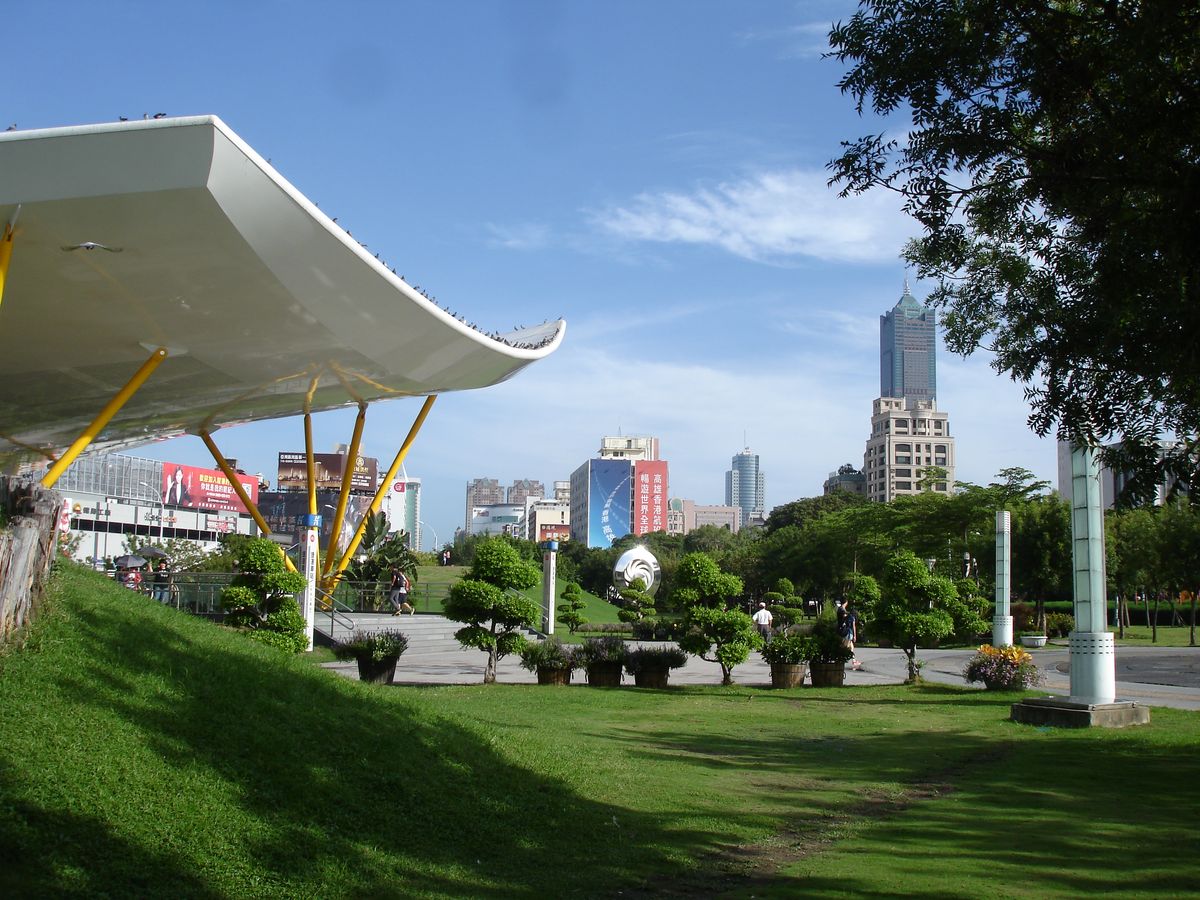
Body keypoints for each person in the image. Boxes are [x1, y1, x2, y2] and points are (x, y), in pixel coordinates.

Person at [840, 600, 861, 670]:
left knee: (851, 647)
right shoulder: (853, 618)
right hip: (850, 633)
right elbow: (853, 627)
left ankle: (853, 660)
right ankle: (842, 659)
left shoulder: (847, 616)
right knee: (845, 647)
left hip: (845, 632)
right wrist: (855, 636)